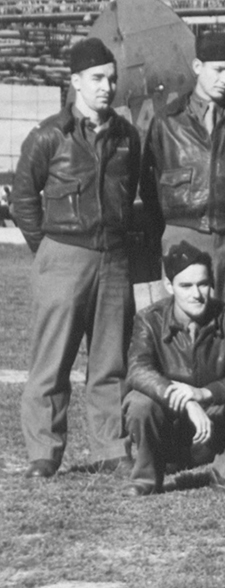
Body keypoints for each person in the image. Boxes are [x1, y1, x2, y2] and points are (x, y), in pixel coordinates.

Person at [16, 38, 145, 479]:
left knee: (110, 360)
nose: (107, 87)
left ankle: (110, 447)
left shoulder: (128, 137)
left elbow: (131, 196)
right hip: (64, 255)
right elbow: (22, 199)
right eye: (97, 79)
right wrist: (49, 249)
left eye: (112, 79)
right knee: (51, 359)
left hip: (113, 259)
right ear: (74, 83)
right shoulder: (50, 135)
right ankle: (44, 452)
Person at [136, 28, 225, 334]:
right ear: (198, 67)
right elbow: (150, 185)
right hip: (183, 234)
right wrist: (173, 227)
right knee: (184, 322)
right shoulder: (167, 122)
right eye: (219, 71)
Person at [122, 242, 225, 495]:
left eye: (203, 284)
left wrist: (206, 393)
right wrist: (187, 401)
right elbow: (138, 370)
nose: (197, 294)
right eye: (186, 286)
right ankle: (146, 477)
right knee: (139, 402)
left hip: (216, 425)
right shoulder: (149, 320)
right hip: (170, 429)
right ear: (169, 286)